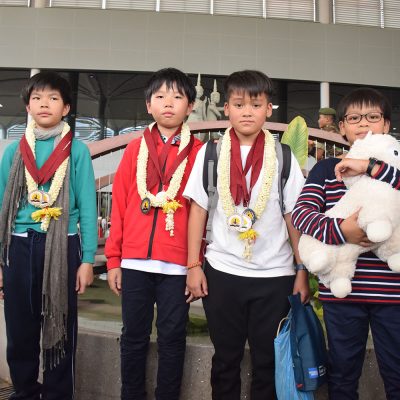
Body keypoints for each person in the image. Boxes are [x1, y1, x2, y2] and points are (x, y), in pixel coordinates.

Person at [183, 70, 309, 400]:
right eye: (239, 104)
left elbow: (293, 216)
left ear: (269, 109)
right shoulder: (211, 154)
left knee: (267, 362)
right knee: (225, 360)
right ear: (227, 108)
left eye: (256, 104)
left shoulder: (283, 157)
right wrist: (193, 266)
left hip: (275, 276)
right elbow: (198, 210)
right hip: (223, 273)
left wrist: (301, 270)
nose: (247, 112)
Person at [292, 87, 400, 400]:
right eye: (354, 118)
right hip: (343, 294)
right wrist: (342, 230)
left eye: (372, 117)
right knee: (342, 375)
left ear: (386, 124)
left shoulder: (395, 166)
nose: (363, 123)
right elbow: (301, 215)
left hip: (393, 293)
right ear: (341, 127)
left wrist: (370, 167)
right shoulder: (327, 170)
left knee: (397, 373)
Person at [105, 68, 203, 400]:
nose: (168, 103)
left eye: (177, 96)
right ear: (149, 105)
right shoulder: (135, 149)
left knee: (173, 338)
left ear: (190, 106)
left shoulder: (199, 152)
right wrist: (114, 260)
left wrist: (195, 263)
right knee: (133, 336)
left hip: (177, 265)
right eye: (160, 96)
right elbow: (120, 204)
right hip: (134, 262)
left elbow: (204, 212)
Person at [0, 71, 97, 399]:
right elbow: (1, 207)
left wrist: (87, 260)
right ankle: (25, 392)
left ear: (66, 108)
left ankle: (57, 394)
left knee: (61, 328)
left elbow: (87, 206)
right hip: (19, 245)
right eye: (37, 98)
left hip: (62, 243)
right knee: (19, 329)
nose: (45, 103)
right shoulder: (13, 152)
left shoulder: (77, 151)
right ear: (28, 106)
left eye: (53, 98)